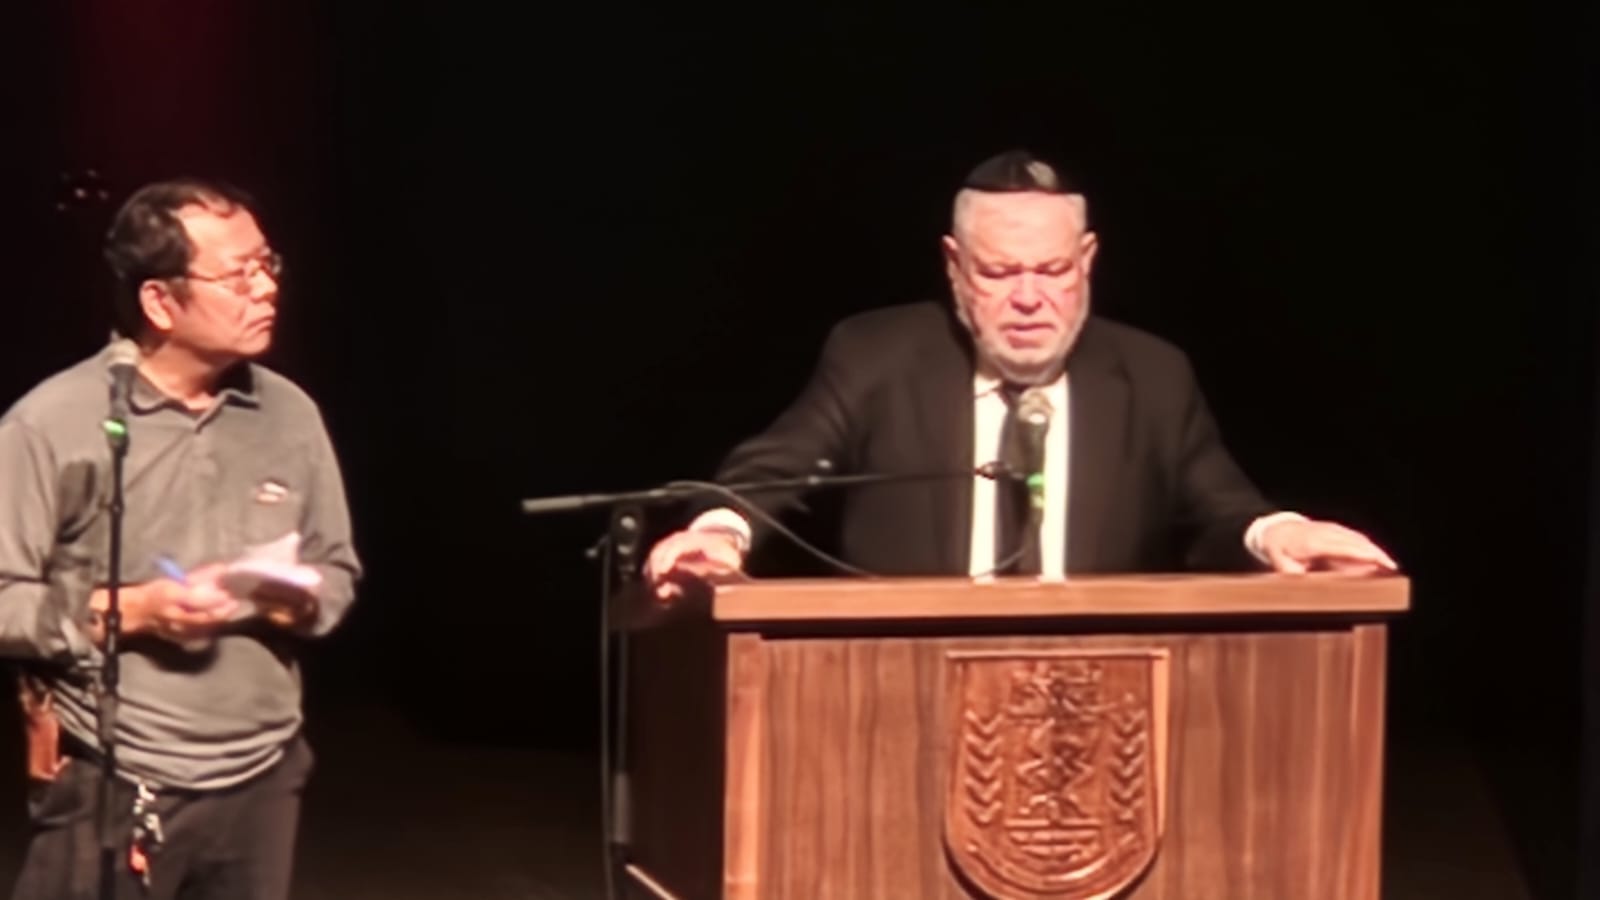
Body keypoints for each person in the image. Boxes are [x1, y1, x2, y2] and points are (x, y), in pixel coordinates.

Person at [645, 150, 1395, 600]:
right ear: (954, 266)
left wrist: (1285, 532)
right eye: (1000, 273)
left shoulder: (1152, 376)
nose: (1030, 297)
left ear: (1088, 260)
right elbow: (772, 472)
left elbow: (1223, 510)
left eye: (1053, 270)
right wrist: (720, 532)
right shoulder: (877, 357)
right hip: (899, 689)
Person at [0, 178, 361, 900]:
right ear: (160, 302)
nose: (266, 288)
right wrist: (137, 610)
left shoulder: (289, 415)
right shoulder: (53, 423)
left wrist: (293, 599)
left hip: (262, 775)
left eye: (267, 264)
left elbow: (337, 568)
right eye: (238, 274)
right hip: (111, 774)